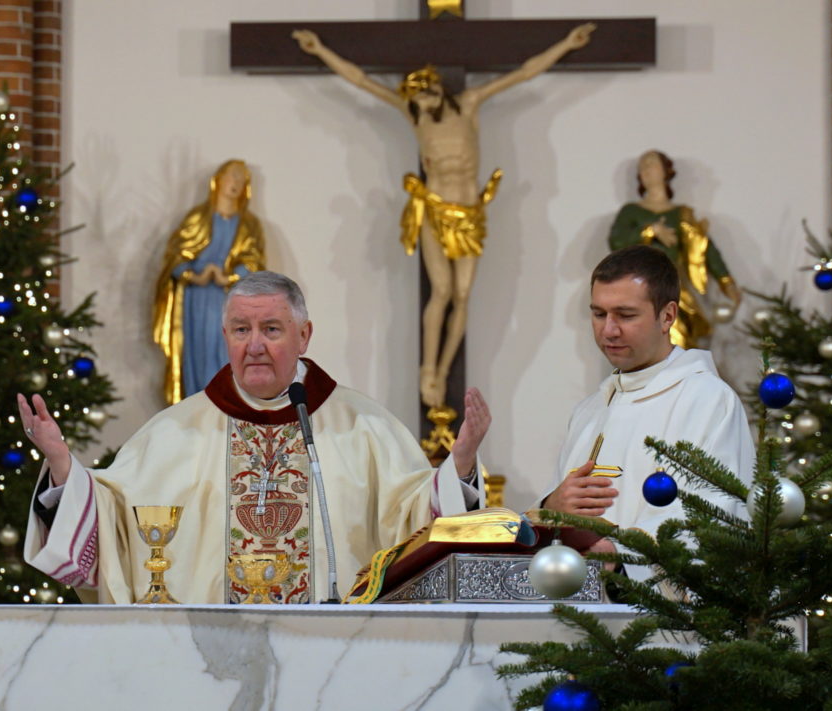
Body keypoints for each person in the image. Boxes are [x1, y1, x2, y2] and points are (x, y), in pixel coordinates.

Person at [21, 271, 490, 604]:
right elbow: (116, 520)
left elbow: (416, 521)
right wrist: (64, 465)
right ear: (225, 335)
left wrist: (461, 463)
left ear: (303, 336)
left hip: (335, 655)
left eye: (271, 329)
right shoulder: (173, 431)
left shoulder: (365, 426)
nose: (255, 345)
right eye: (242, 330)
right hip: (207, 660)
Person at [293, 24, 595, 410]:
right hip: (435, 210)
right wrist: (319, 50)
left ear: (435, 86)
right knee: (441, 292)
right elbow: (361, 81)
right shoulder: (414, 115)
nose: (420, 100)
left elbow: (522, 73)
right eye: (414, 96)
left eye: (424, 92)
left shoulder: (469, 105)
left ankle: (445, 361)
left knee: (463, 294)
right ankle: (429, 369)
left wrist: (566, 44)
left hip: (469, 213)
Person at [538, 245, 754, 580]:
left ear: (667, 316)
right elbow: (558, 514)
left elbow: (710, 513)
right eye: (599, 314)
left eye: (625, 315)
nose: (609, 330)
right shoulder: (590, 411)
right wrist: (550, 505)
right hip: (579, 609)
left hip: (666, 619)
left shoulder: (707, 400)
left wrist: (621, 553)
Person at [153, 159, 265, 405]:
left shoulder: (249, 225)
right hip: (196, 301)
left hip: (232, 300)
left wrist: (231, 276)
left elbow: (255, 262)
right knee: (198, 357)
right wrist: (195, 275)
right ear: (217, 181)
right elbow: (175, 258)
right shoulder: (196, 219)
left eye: (241, 179)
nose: (235, 183)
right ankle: (196, 407)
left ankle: (229, 407)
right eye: (230, 176)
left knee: (229, 354)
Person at [608, 150, 742, 349]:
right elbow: (617, 243)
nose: (646, 169)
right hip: (638, 289)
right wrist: (650, 230)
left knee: (677, 340)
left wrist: (727, 282)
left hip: (673, 289)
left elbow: (705, 249)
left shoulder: (682, 215)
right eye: (642, 167)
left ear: (666, 171)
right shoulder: (631, 212)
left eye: (651, 164)